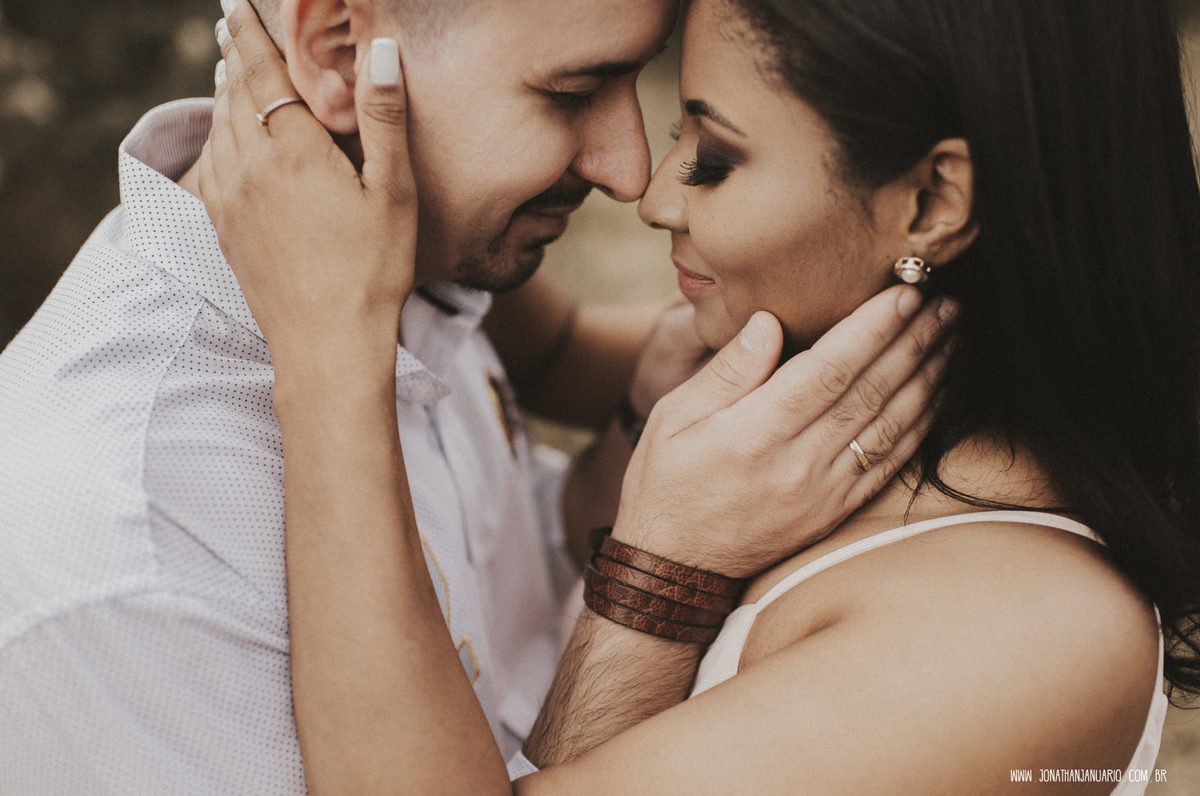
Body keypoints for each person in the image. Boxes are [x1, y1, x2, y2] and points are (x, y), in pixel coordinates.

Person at [199, 0, 1200, 792]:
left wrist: (332, 348)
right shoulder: (787, 382)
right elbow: (557, 350)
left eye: (713, 158)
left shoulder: (1021, 633)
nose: (654, 192)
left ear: (934, 202)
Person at [0, 0, 943, 791]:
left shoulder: (417, 255)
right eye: (572, 93)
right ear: (337, 50)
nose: (627, 173)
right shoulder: (131, 559)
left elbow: (503, 599)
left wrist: (627, 455)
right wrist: (657, 583)